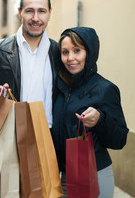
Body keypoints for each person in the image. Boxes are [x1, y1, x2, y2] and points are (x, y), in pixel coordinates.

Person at [51, 27, 129, 198]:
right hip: (64, 176)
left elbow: (120, 139)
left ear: (90, 52)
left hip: (94, 174)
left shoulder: (105, 89)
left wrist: (100, 120)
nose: (70, 58)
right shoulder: (60, 87)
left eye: (77, 50)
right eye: (65, 52)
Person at [0, 0, 60, 128]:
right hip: (9, 134)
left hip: (49, 135)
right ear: (20, 13)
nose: (35, 18)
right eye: (29, 11)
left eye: (42, 11)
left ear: (49, 13)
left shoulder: (58, 52)